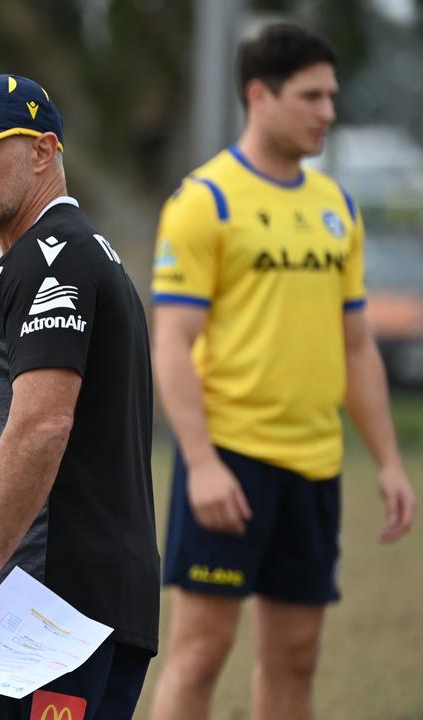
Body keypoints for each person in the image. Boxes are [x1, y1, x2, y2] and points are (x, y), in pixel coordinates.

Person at [148, 23, 416, 720]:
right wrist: (201, 463)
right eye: (312, 96)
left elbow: (357, 347)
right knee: (200, 654)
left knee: (297, 659)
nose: (328, 111)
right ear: (259, 96)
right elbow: (171, 342)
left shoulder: (336, 209)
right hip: (231, 464)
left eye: (332, 95)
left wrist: (387, 460)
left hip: (316, 466)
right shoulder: (207, 201)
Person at [0, 73, 160, 720]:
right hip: (69, 598)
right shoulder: (57, 255)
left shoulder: (56, 257)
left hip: (52, 606)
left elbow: (43, 424)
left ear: (45, 151)